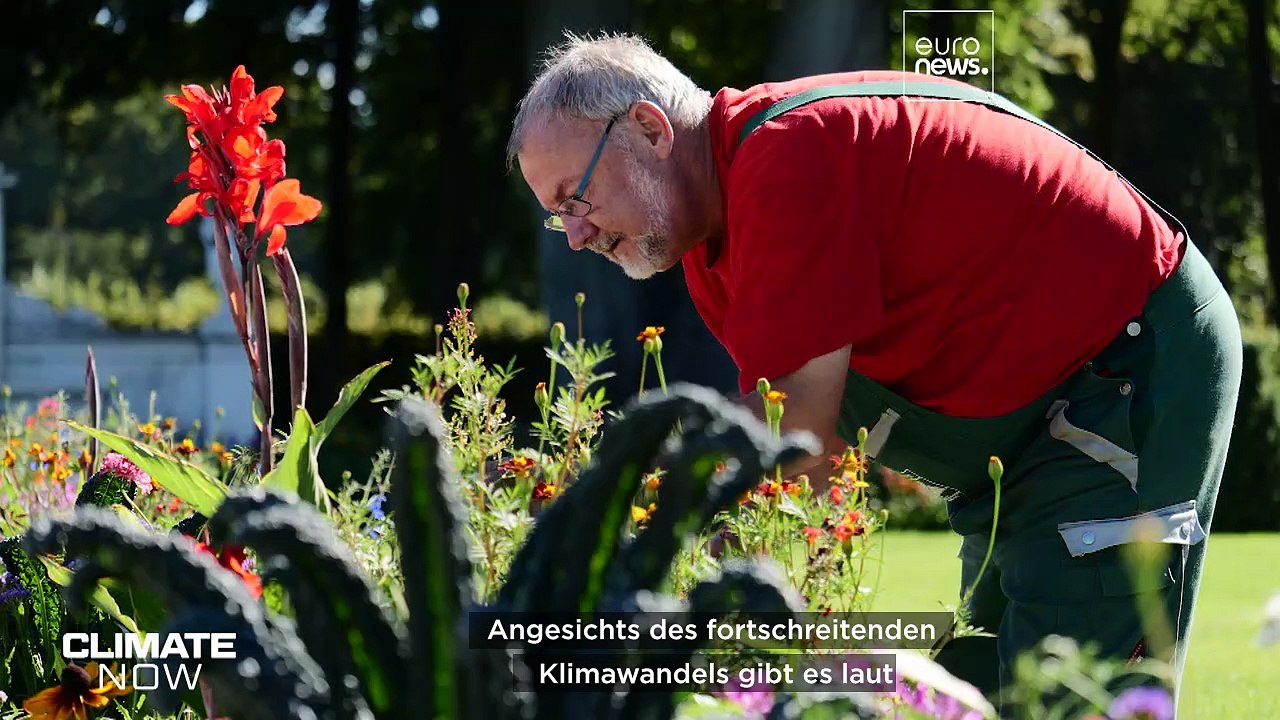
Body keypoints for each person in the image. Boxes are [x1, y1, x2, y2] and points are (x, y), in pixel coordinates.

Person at [507, 33, 1242, 707]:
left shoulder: (787, 161)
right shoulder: (710, 244)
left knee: (1069, 691)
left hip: (1125, 365)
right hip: (1026, 432)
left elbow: (795, 444)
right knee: (978, 686)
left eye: (577, 196)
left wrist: (622, 546)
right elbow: (790, 469)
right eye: (556, 214)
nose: (575, 234)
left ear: (649, 128)